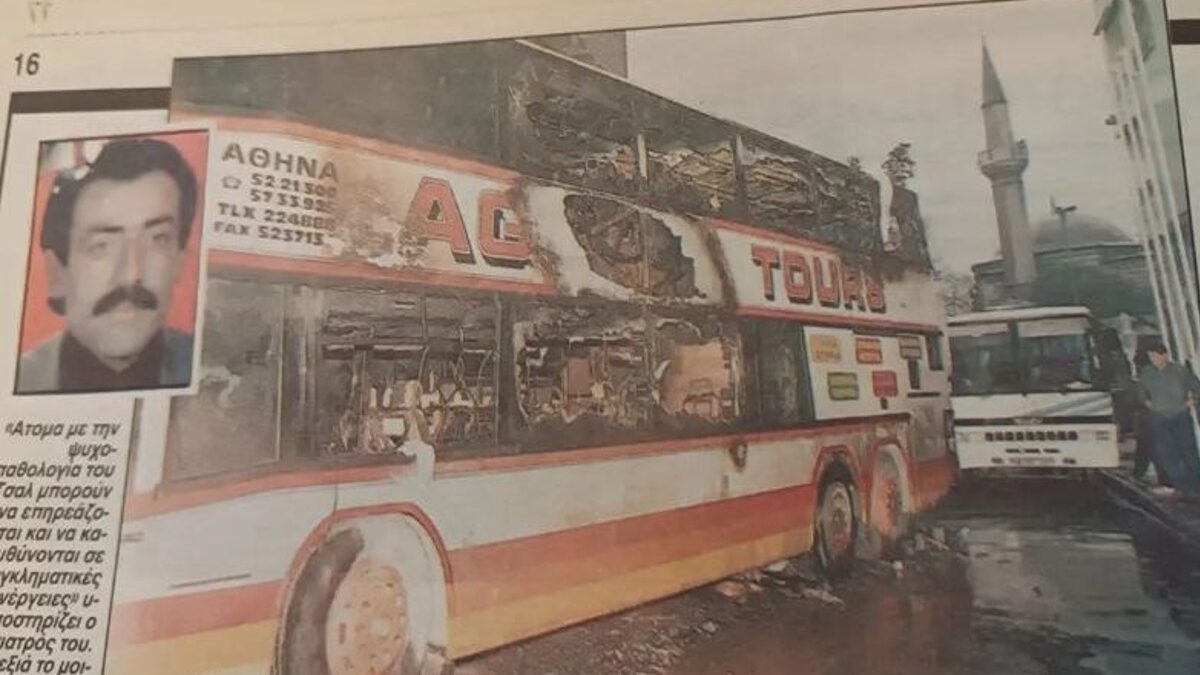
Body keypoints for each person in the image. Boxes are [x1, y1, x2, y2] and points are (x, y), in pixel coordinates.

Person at [17, 138, 198, 394]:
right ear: (57, 272)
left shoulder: (211, 367)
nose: (131, 275)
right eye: (101, 246)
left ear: (179, 259)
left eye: (157, 239)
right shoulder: (18, 379)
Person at [1136, 342, 1200, 496]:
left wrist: (1191, 402)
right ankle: (1180, 486)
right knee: (1166, 452)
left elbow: (1196, 388)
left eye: (1155, 356)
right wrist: (1149, 404)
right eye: (1150, 356)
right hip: (1159, 417)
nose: (1153, 359)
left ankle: (1196, 485)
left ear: (1165, 355)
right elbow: (1141, 393)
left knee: (1188, 451)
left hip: (1180, 415)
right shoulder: (1147, 373)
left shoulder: (1180, 371)